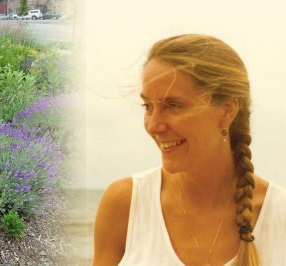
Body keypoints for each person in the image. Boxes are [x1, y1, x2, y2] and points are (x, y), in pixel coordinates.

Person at [93, 34, 286, 266]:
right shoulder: (125, 204)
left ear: (227, 110)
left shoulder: (279, 215)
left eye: (173, 106)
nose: (153, 126)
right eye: (148, 106)